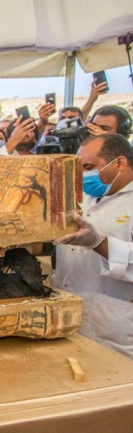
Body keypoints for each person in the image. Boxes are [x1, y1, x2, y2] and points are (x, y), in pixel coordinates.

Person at [54, 133, 133, 357]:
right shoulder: (84, 196)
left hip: (114, 321)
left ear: (119, 162)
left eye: (88, 166)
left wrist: (98, 243)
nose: (82, 175)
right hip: (68, 306)